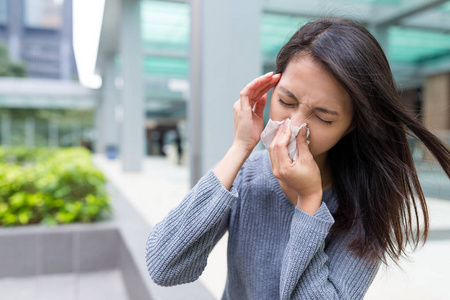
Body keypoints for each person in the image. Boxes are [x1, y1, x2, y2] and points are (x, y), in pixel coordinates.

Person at [145, 18, 450, 299]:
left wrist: (310, 202)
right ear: (270, 87)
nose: (294, 127)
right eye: (285, 101)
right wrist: (239, 149)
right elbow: (163, 265)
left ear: (352, 125)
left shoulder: (367, 204)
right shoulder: (247, 175)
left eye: (323, 117)